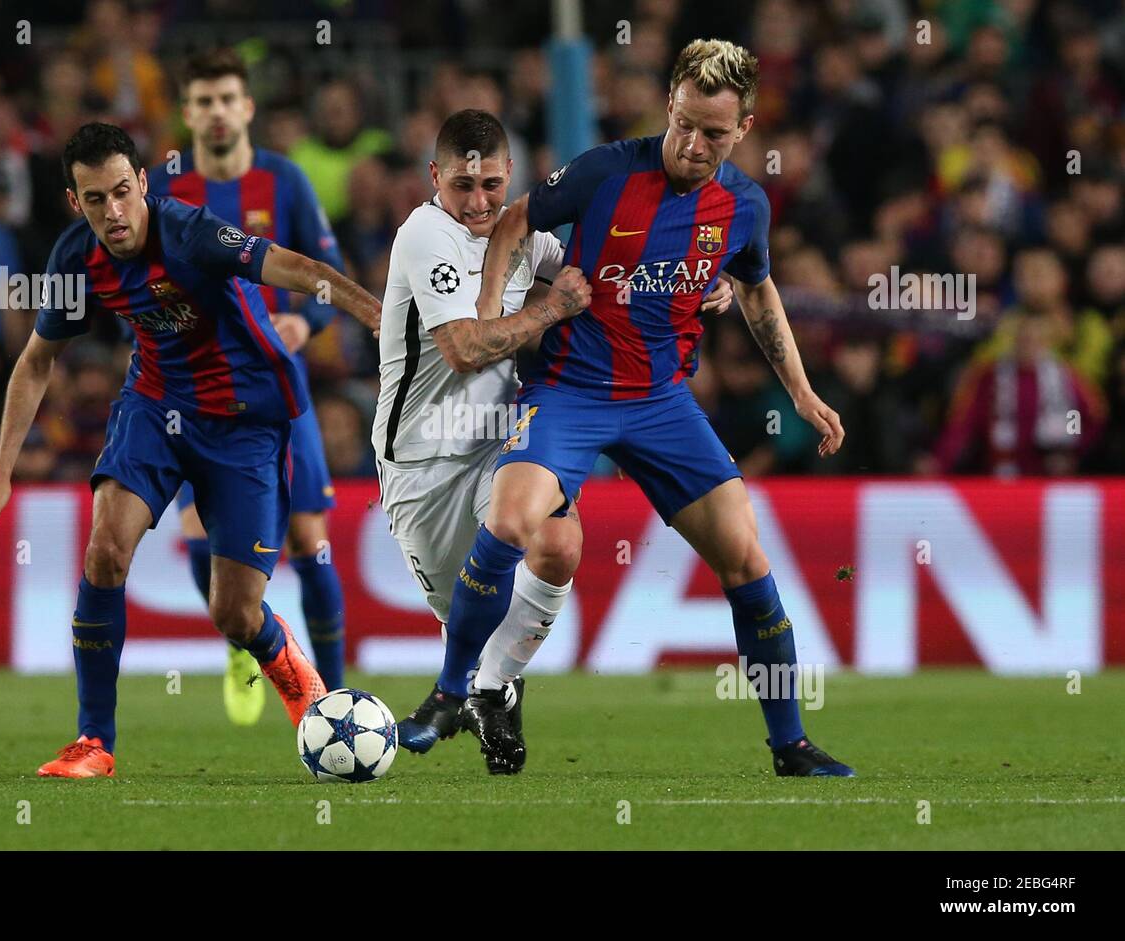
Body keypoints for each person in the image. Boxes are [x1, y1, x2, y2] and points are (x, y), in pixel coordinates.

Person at [404, 40, 856, 777]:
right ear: (668, 106)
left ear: (743, 130)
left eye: (713, 132)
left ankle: (790, 743)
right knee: (511, 521)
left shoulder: (743, 204)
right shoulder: (605, 170)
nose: (692, 143)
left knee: (746, 557)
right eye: (683, 123)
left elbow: (756, 286)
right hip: (567, 392)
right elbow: (516, 220)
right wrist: (489, 313)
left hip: (661, 403)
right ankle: (452, 692)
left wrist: (802, 390)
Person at [0, 122, 381, 778]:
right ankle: (93, 741)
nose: (113, 211)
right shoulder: (76, 256)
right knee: (104, 550)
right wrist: (0, 474)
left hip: (247, 423)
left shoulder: (191, 232)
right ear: (76, 202)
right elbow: (37, 360)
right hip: (155, 409)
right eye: (95, 198)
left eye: (122, 192)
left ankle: (294, 671)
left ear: (143, 185)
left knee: (236, 611)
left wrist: (372, 314)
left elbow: (295, 267)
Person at [379, 109, 738, 772]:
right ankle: (498, 682)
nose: (480, 201)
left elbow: (616, 286)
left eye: (492, 184)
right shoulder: (424, 235)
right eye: (464, 186)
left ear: (510, 174)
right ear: (436, 179)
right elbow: (462, 349)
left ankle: (484, 688)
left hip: (502, 443)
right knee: (463, 610)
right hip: (423, 460)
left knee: (560, 543)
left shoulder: (530, 240)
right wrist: (547, 309)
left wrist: (700, 281)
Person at [147, 48, 352, 725]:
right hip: (195, 394)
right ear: (187, 113)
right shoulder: (162, 190)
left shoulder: (284, 181)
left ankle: (334, 695)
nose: (215, 112)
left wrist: (304, 317)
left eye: (226, 98)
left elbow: (326, 272)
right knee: (201, 525)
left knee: (309, 539)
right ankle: (243, 639)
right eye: (202, 101)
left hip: (275, 387)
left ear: (247, 107)